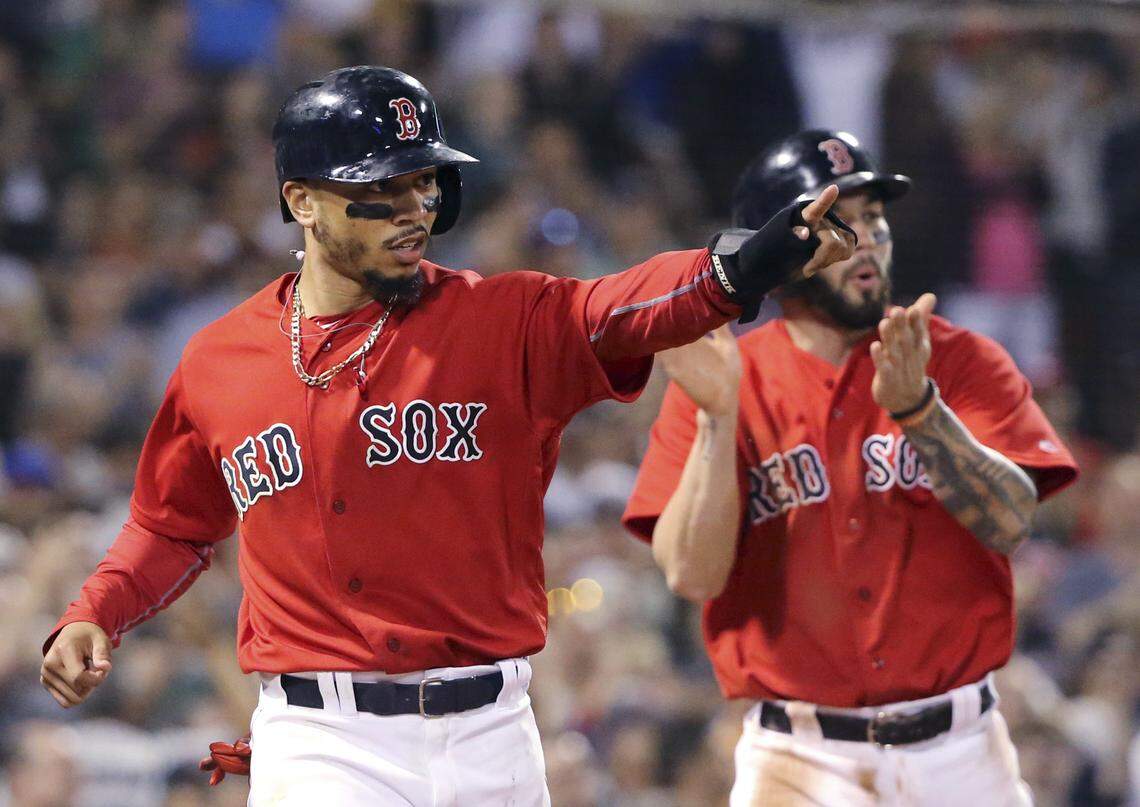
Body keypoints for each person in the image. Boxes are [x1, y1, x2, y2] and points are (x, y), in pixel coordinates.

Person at [39, 67, 855, 805]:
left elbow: (620, 307)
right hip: (326, 741)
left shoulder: (498, 320)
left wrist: (738, 267)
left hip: (492, 734)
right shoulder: (221, 359)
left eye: (425, 185)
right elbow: (174, 523)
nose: (411, 211)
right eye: (381, 190)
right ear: (302, 201)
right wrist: (94, 611)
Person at [622, 129, 1080, 806]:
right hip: (800, 758)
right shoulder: (722, 376)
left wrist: (922, 410)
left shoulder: (956, 360)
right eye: (837, 222)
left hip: (960, 752)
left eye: (873, 218)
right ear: (775, 249)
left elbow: (1011, 520)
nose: (866, 238)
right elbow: (692, 572)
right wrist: (720, 417)